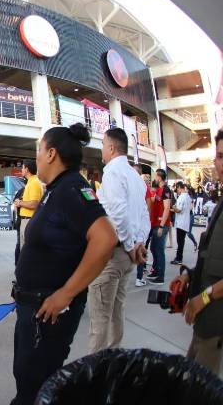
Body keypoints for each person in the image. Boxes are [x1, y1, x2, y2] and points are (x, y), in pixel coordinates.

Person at [12, 123, 117, 405]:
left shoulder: (72, 188)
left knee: (36, 387)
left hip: (48, 311)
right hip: (33, 307)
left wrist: (66, 293)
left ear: (51, 154)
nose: (36, 158)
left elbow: (105, 238)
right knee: (28, 379)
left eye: (38, 151)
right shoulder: (55, 189)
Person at [87, 128, 150, 353]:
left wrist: (131, 243)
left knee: (100, 319)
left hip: (112, 255)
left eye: (103, 144)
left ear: (111, 147)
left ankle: (96, 374)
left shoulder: (112, 172)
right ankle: (113, 361)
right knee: (116, 311)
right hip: (127, 256)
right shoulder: (134, 175)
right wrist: (139, 241)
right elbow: (144, 214)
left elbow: (118, 213)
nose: (102, 149)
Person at [172, 128, 223, 375]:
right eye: (220, 156)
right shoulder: (220, 204)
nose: (220, 163)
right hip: (204, 322)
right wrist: (190, 276)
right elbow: (210, 254)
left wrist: (203, 298)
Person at [147, 169, 173, 285]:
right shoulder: (157, 189)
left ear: (159, 177)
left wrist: (162, 226)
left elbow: (167, 208)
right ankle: (156, 270)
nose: (154, 179)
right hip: (155, 224)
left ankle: (160, 276)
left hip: (161, 225)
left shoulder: (166, 190)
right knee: (153, 248)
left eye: (155, 176)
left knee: (159, 250)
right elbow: (152, 200)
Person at [14, 160, 42, 251]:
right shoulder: (31, 182)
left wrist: (20, 203)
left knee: (27, 251)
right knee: (24, 250)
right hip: (26, 220)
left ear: (27, 169)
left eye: (22, 167)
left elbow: (34, 203)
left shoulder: (34, 183)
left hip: (29, 220)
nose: (21, 170)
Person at [136, 173, 155, 286]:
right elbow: (148, 206)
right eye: (145, 179)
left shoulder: (133, 186)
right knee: (142, 248)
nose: (147, 181)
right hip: (142, 224)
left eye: (148, 179)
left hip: (136, 224)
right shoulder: (144, 188)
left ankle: (141, 271)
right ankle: (139, 278)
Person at [171, 182, 193, 265]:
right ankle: (179, 257)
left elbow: (179, 210)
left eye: (177, 189)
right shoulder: (188, 197)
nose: (177, 190)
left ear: (180, 187)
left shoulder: (182, 197)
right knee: (181, 241)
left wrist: (173, 207)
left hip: (180, 222)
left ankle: (179, 258)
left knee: (179, 241)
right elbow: (190, 208)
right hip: (185, 221)